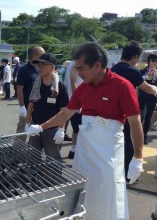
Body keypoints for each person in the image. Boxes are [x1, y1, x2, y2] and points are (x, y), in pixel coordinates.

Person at [26, 43, 143, 220]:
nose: (78, 73)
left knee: (107, 189)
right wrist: (41, 127)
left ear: (97, 65)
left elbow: (135, 122)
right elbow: (65, 113)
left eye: (81, 68)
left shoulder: (122, 86)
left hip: (108, 149)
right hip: (85, 147)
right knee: (82, 187)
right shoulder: (84, 88)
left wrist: (138, 157)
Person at [111, 41, 157, 180]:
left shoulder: (113, 69)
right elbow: (146, 88)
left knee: (115, 143)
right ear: (135, 56)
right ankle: (128, 175)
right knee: (128, 144)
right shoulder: (131, 71)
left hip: (110, 113)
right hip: (125, 113)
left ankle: (115, 170)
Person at [25, 53, 68, 161]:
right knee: (33, 156)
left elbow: (63, 110)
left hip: (52, 128)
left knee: (53, 158)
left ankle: (55, 177)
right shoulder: (36, 84)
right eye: (38, 65)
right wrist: (27, 123)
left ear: (53, 67)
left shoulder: (60, 87)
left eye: (43, 64)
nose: (39, 67)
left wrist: (61, 130)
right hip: (35, 125)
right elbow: (31, 105)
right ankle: (33, 177)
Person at [16, 46, 45, 141]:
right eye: (42, 54)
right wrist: (22, 106)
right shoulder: (24, 69)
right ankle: (17, 151)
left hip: (39, 106)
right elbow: (19, 88)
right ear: (35, 55)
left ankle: (33, 150)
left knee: (36, 132)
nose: (44, 56)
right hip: (27, 105)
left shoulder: (41, 68)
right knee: (22, 131)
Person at [63, 60, 83, 159]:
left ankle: (73, 149)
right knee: (79, 129)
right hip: (77, 101)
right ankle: (76, 150)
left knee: (76, 129)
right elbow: (73, 81)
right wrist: (78, 101)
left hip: (72, 99)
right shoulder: (76, 64)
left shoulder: (72, 63)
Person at [138, 53, 157, 144]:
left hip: (153, 97)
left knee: (148, 117)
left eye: (156, 61)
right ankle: (137, 134)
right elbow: (138, 80)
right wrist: (147, 76)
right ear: (149, 62)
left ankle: (144, 136)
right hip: (142, 95)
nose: (155, 62)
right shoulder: (143, 71)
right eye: (153, 60)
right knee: (140, 116)